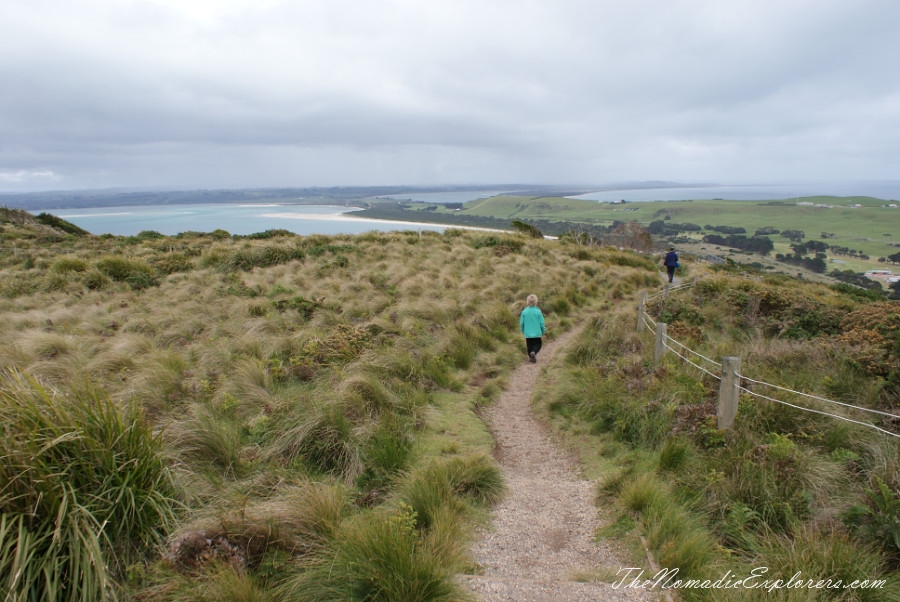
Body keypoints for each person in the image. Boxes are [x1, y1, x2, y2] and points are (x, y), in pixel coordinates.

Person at [519, 294, 546, 363]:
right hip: (537, 332)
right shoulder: (538, 311)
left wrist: (522, 330)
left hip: (527, 333)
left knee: (529, 345)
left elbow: (521, 323)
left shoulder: (524, 312)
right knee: (538, 344)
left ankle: (531, 356)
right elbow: (542, 323)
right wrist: (543, 330)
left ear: (527, 302)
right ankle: (534, 352)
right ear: (536, 302)